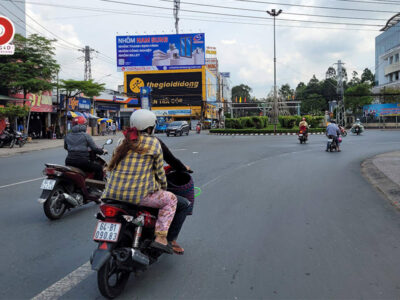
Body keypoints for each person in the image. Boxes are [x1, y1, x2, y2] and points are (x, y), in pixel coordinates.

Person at [102, 109, 177, 254]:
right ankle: (161, 238)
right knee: (171, 200)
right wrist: (163, 187)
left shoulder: (122, 140)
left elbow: (112, 164)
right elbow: (159, 172)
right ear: (150, 126)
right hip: (138, 196)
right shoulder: (153, 142)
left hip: (111, 193)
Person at [157, 138, 191, 255]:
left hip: (114, 192)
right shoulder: (154, 143)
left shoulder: (124, 142)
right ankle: (167, 239)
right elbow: (171, 162)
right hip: (142, 193)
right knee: (182, 203)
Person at [64, 116, 106, 181]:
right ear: (82, 125)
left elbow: (66, 147)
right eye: (85, 125)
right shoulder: (86, 136)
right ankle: (96, 188)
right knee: (99, 168)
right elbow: (95, 149)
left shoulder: (67, 135)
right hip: (82, 162)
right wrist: (102, 151)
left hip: (69, 161)